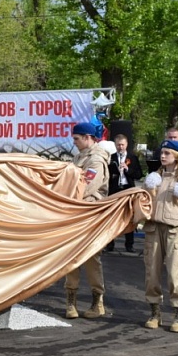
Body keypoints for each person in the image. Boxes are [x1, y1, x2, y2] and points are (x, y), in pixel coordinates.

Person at [141, 140, 178, 333]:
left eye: (167, 153)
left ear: (177, 156)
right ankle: (154, 311)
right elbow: (142, 203)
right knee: (152, 274)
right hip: (153, 229)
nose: (163, 156)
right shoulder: (153, 177)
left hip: (175, 231)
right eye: (162, 152)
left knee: (175, 274)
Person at [64, 122, 110, 320]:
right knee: (71, 258)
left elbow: (88, 186)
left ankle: (96, 302)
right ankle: (71, 301)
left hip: (90, 213)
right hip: (76, 212)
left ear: (88, 137)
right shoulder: (78, 157)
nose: (73, 142)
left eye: (76, 138)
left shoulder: (96, 160)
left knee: (91, 259)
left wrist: (66, 194)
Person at [106, 134, 143, 252]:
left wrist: (128, 170)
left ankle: (129, 245)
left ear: (126, 145)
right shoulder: (111, 158)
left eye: (122, 145)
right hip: (115, 190)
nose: (120, 147)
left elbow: (138, 175)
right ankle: (110, 244)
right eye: (118, 145)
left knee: (129, 217)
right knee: (112, 218)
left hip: (128, 189)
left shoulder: (132, 157)